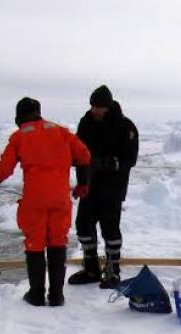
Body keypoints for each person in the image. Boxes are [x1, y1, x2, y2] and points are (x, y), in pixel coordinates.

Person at [0, 97, 91, 306]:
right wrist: (83, 183)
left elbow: (4, 168)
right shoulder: (61, 132)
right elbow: (84, 155)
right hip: (60, 198)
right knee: (58, 241)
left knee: (35, 243)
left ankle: (37, 294)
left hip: (35, 199)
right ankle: (57, 296)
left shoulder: (20, 136)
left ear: (19, 117)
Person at [68, 85, 139, 289]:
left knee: (110, 228)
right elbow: (78, 150)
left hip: (113, 187)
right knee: (83, 225)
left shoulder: (126, 127)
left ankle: (112, 271)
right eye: (93, 106)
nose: (95, 110)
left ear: (108, 106)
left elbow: (130, 159)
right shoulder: (86, 123)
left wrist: (104, 163)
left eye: (99, 107)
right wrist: (77, 162)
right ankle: (91, 269)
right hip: (90, 185)